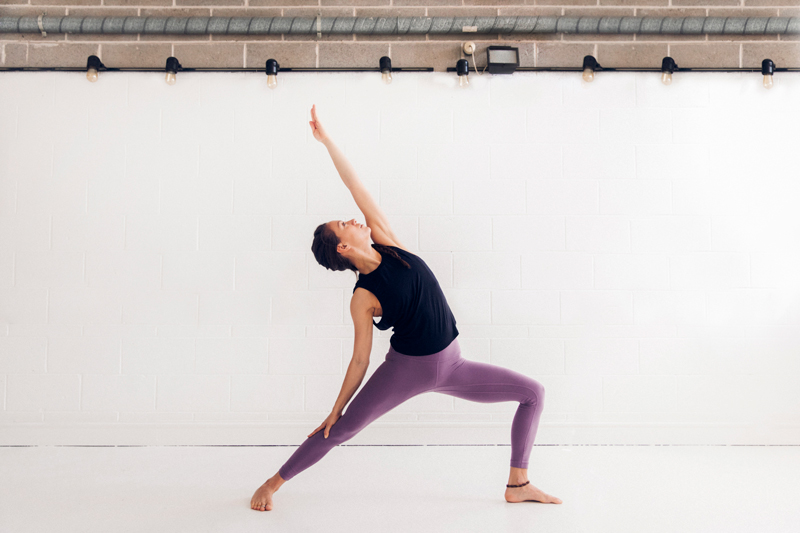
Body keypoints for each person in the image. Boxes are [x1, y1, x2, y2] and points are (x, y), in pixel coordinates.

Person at [251, 105, 562, 511]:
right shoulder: (362, 297)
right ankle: (271, 484)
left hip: (454, 364)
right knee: (340, 429)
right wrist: (336, 408)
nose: (353, 220)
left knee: (533, 393)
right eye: (344, 224)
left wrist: (327, 142)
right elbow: (360, 359)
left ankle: (518, 484)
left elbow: (355, 185)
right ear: (342, 247)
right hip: (407, 370)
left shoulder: (388, 243)